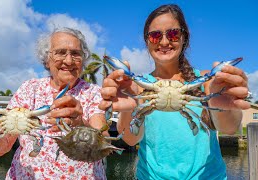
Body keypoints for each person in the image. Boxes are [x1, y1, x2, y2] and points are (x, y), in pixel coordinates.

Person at [99, 4, 250, 180]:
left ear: (184, 37)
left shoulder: (206, 81)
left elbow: (230, 128)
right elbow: (131, 140)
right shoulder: (138, 86)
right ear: (147, 41)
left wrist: (223, 104)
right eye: (155, 36)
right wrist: (128, 108)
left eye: (173, 34)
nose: (164, 42)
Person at [0, 27, 108, 180]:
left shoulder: (93, 92)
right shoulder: (29, 89)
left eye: (76, 54)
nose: (68, 61)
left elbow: (106, 143)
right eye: (60, 52)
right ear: (47, 59)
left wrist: (81, 124)